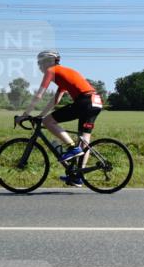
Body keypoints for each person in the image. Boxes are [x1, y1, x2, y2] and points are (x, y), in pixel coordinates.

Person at [16, 50, 103, 187]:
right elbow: (55, 100)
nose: (39, 66)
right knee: (84, 142)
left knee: (48, 122)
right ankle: (78, 177)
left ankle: (72, 148)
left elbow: (39, 95)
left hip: (85, 101)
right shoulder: (63, 73)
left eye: (40, 63)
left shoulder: (51, 71)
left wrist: (24, 115)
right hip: (96, 102)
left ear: (48, 62)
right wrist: (41, 115)